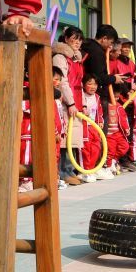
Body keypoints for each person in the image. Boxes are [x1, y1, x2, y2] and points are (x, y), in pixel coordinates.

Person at [52, 27, 83, 185]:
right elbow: (62, 82)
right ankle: (63, 172)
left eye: (79, 39)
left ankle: (69, 170)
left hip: (76, 101)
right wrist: (70, 102)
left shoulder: (76, 59)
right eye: (73, 39)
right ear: (65, 39)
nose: (77, 42)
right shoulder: (60, 57)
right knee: (65, 139)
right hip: (65, 102)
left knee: (74, 139)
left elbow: (79, 82)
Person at [78, 75, 103, 182]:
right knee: (85, 149)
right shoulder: (80, 96)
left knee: (96, 147)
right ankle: (84, 170)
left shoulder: (97, 97)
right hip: (83, 126)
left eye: (95, 84)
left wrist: (100, 121)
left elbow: (99, 111)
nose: (93, 86)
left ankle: (91, 168)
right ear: (84, 85)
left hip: (94, 126)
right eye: (90, 84)